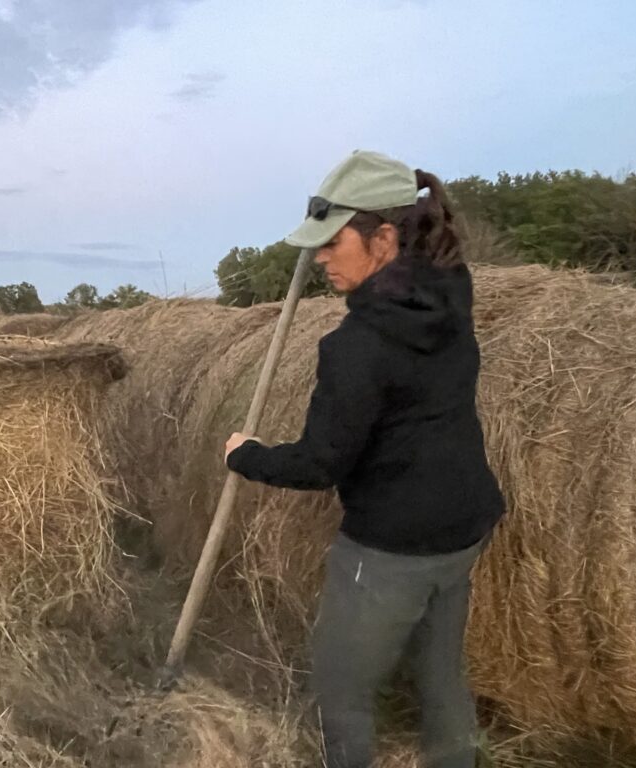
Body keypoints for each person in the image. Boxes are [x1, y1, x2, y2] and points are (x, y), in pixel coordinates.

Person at [224, 150, 506, 768]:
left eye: (331, 242)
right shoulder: (452, 290)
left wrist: (246, 456)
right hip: (465, 524)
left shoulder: (355, 346)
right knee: (441, 677)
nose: (320, 257)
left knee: (341, 688)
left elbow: (319, 464)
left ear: (382, 237)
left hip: (391, 548)